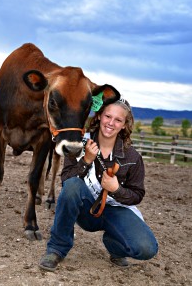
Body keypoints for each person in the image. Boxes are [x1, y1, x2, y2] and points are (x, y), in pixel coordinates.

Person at [39, 97, 158, 271]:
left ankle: (114, 245)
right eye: (108, 116)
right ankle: (56, 249)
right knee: (72, 185)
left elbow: (137, 195)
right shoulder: (79, 144)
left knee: (147, 249)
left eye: (118, 120)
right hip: (85, 209)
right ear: (100, 116)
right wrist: (86, 161)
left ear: (124, 124)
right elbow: (66, 180)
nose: (111, 123)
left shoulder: (133, 158)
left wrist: (117, 189)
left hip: (116, 210)